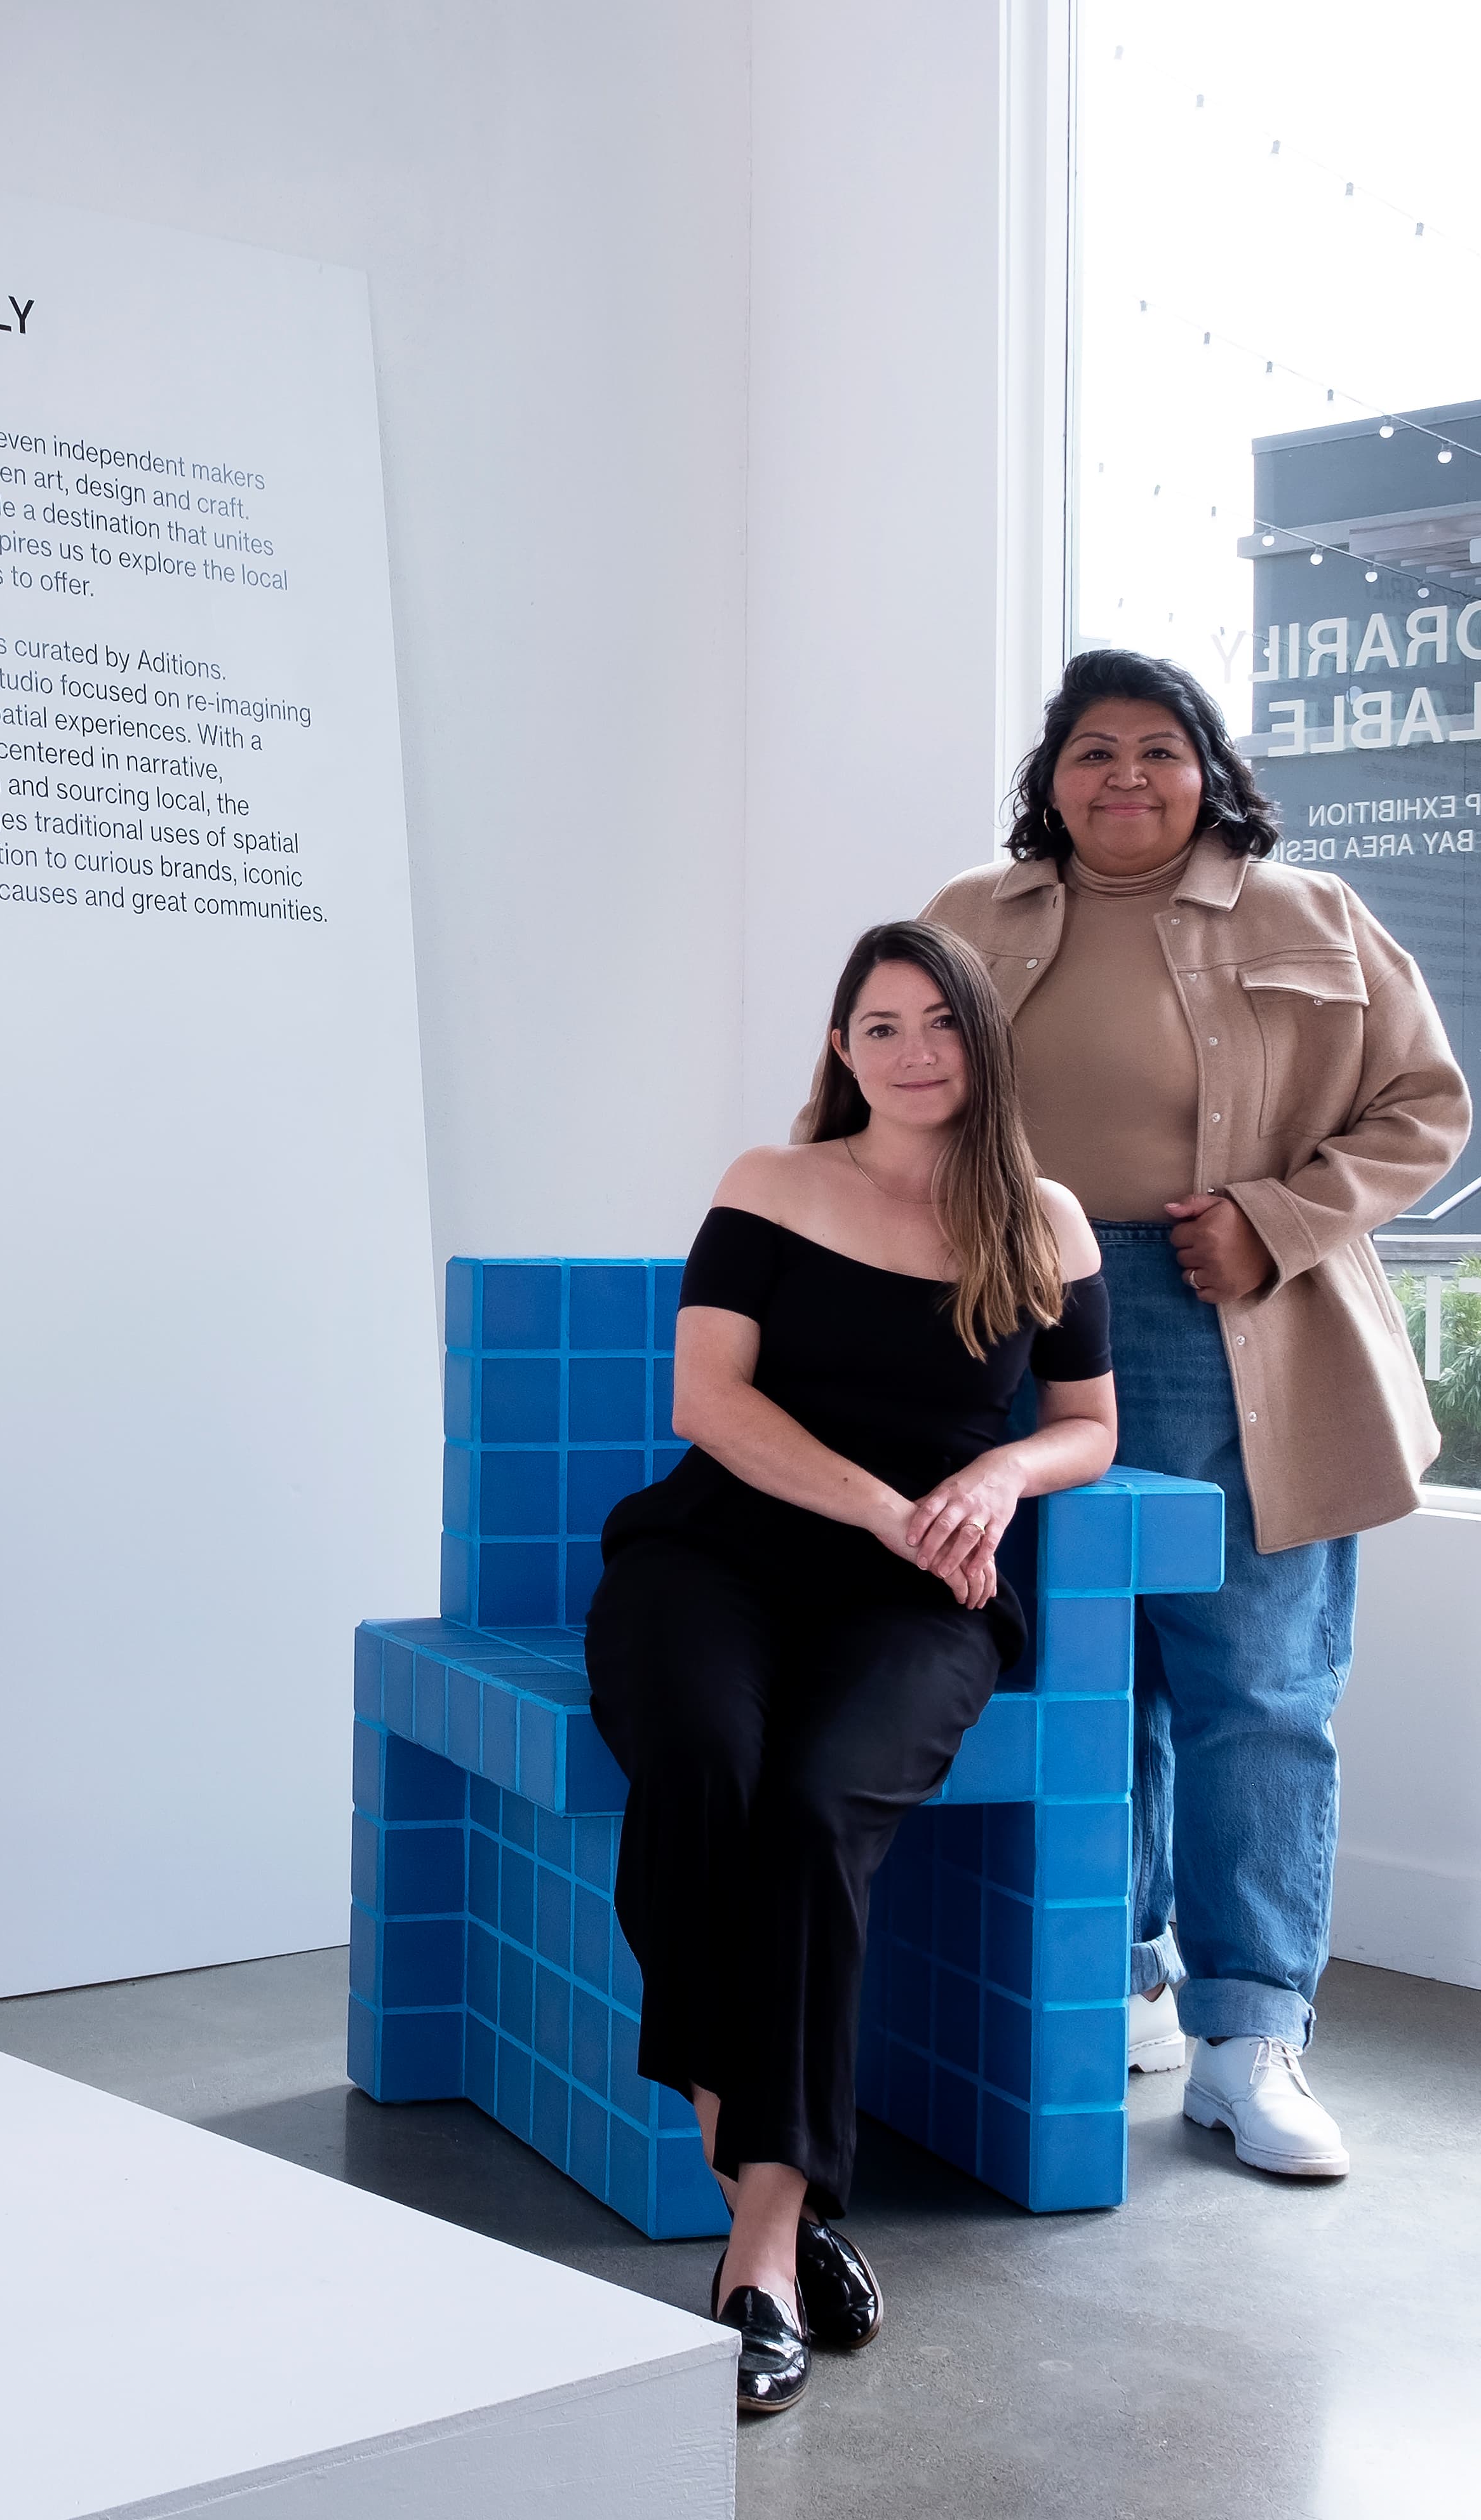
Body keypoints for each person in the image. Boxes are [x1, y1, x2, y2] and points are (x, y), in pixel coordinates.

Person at [918, 646, 1469, 2181]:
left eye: (1159, 749)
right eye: (1093, 749)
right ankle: (1121, 1973)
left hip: (1240, 1317)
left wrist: (1275, 1219)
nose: (1126, 776)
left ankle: (1251, 2035)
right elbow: (879, 1086)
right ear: (1052, 778)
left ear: (1209, 771)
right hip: (1016, 1315)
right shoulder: (968, 916)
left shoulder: (1314, 914)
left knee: (1258, 1678)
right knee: (1086, 1666)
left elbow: (1426, 1105)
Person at [587, 919, 1118, 2416]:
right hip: (715, 1559)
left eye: (941, 1021)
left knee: (819, 1808)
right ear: (842, 1048)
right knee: (705, 1765)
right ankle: (779, 2205)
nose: (913, 1051)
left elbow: (1090, 1423)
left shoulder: (1046, 1219)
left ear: (984, 1040)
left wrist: (1002, 1472)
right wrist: (888, 1506)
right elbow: (708, 1399)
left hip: (923, 1598)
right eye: (880, 1026)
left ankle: (756, 2243)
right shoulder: (773, 1182)